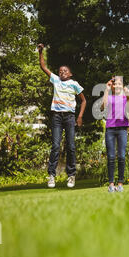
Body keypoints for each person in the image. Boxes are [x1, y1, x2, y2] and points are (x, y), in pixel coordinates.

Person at [38, 43, 86, 188]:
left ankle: (71, 175)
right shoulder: (56, 80)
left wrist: (80, 116)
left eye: (65, 71)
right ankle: (51, 175)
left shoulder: (74, 84)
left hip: (70, 117)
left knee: (71, 146)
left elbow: (83, 101)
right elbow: (43, 67)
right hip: (57, 117)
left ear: (70, 74)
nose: (62, 72)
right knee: (55, 146)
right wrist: (41, 52)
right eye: (60, 71)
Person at [101, 76, 129, 193]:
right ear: (112, 86)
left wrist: (128, 96)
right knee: (111, 157)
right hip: (110, 129)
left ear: (122, 86)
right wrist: (106, 89)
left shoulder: (125, 98)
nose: (117, 86)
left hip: (122, 129)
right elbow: (102, 106)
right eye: (115, 84)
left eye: (119, 84)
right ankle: (111, 184)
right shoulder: (109, 97)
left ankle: (120, 183)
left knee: (122, 156)